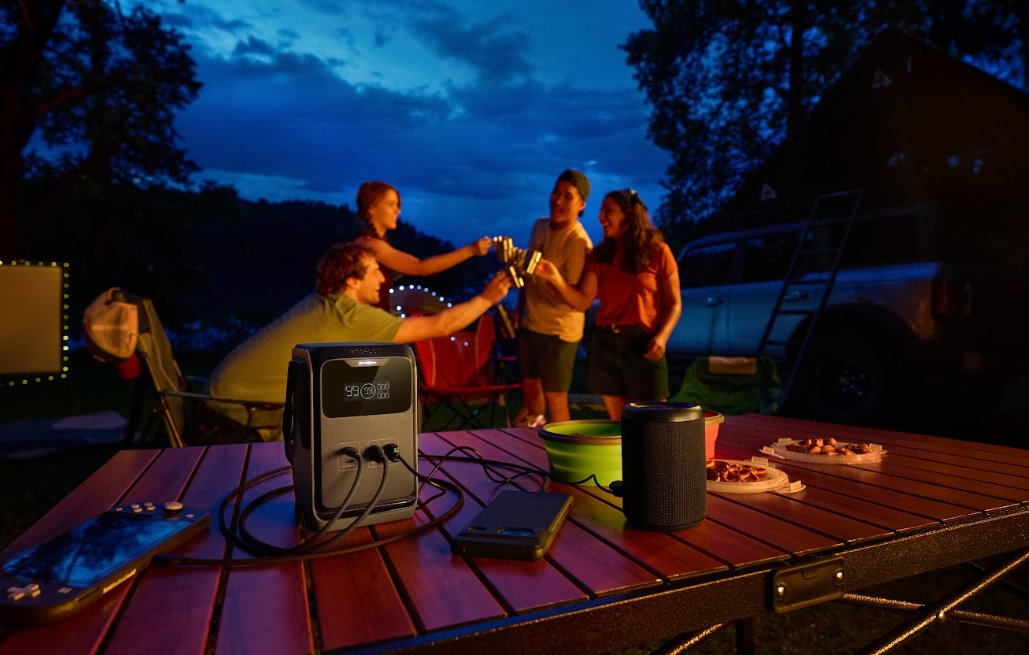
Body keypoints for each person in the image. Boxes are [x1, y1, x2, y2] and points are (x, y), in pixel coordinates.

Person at [204, 242, 512, 438]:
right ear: (352, 280)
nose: (382, 279)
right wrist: (487, 298)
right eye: (376, 272)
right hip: (233, 421)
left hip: (222, 406)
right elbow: (441, 326)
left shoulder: (327, 303)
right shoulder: (349, 314)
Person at [534, 189, 681, 421]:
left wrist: (662, 337)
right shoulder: (600, 256)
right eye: (601, 211)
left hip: (642, 344)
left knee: (655, 424)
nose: (601, 217)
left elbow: (674, 303)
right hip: (606, 344)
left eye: (608, 211)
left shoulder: (658, 252)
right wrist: (555, 278)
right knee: (619, 426)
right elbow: (583, 301)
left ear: (630, 214)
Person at [512, 169, 594, 426]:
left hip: (560, 330)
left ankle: (563, 454)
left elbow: (577, 299)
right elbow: (528, 271)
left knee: (556, 398)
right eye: (556, 193)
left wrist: (554, 277)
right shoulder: (540, 226)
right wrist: (519, 307)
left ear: (581, 204)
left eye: (567, 196)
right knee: (530, 389)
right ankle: (532, 446)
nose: (558, 201)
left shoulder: (579, 242)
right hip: (530, 323)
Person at [352, 181, 492, 310]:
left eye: (398, 205)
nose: (398, 211)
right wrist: (471, 250)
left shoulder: (373, 242)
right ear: (371, 208)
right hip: (369, 328)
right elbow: (421, 268)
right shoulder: (370, 244)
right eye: (391, 204)